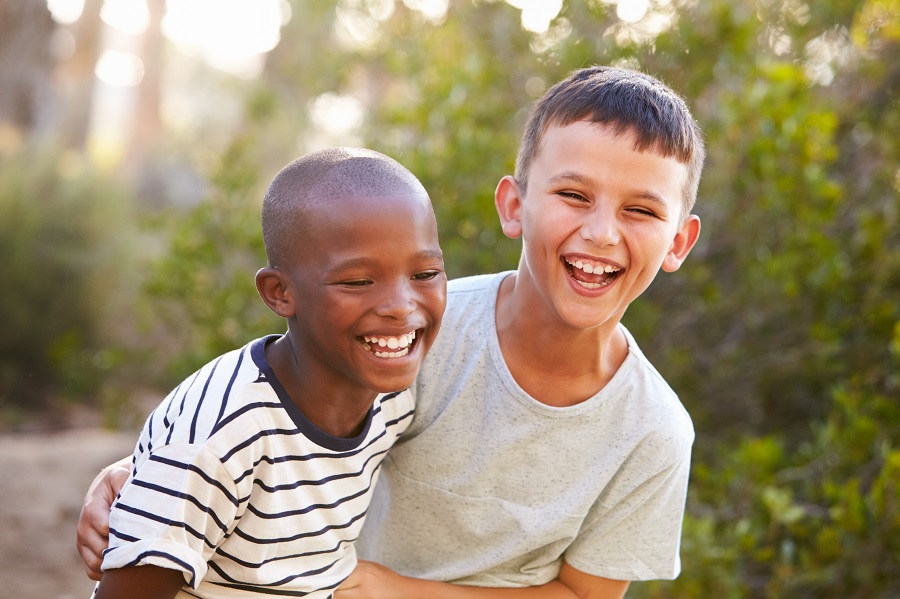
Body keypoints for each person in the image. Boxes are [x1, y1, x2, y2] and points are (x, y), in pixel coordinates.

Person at [78, 65, 705, 599]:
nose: (600, 232)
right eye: (574, 194)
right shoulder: (417, 326)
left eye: (641, 209)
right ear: (514, 206)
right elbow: (270, 414)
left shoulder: (653, 431)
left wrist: (392, 589)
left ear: (678, 241)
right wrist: (144, 473)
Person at [85, 147, 447, 599]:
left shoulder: (393, 392)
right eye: (358, 281)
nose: (400, 305)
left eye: (426, 272)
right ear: (279, 293)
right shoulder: (219, 441)